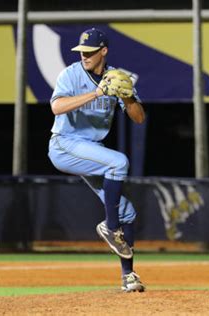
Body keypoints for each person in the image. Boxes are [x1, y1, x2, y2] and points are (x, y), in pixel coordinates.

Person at [47, 28, 146, 292]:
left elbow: (139, 117)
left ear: (103, 51)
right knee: (119, 162)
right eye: (81, 52)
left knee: (127, 211)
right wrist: (97, 94)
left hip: (91, 150)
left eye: (90, 52)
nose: (84, 56)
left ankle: (129, 276)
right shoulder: (70, 74)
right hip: (64, 145)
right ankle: (110, 227)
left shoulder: (115, 77)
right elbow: (56, 107)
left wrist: (126, 95)